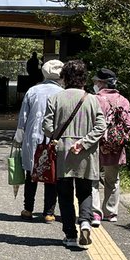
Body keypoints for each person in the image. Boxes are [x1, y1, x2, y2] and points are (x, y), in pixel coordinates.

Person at [42, 59, 105, 249]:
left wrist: (59, 137)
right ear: (83, 78)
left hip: (63, 152)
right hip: (86, 153)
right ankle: (85, 222)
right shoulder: (92, 99)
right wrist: (83, 143)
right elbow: (101, 126)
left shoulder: (56, 99)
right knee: (85, 191)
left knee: (65, 195)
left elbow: (47, 126)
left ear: (64, 78)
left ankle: (70, 235)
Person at [14, 58, 64, 221]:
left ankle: (28, 209)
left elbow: (23, 117)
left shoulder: (33, 91)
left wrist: (19, 137)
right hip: (54, 138)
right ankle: (48, 212)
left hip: (33, 137)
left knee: (31, 173)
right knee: (51, 174)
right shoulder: (62, 93)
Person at [90, 68, 130, 224]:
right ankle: (111, 212)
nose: (95, 84)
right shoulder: (123, 100)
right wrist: (119, 139)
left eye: (96, 81)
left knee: (93, 178)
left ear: (101, 83)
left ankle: (95, 213)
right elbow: (129, 125)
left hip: (96, 144)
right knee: (113, 180)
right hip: (116, 147)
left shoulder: (94, 99)